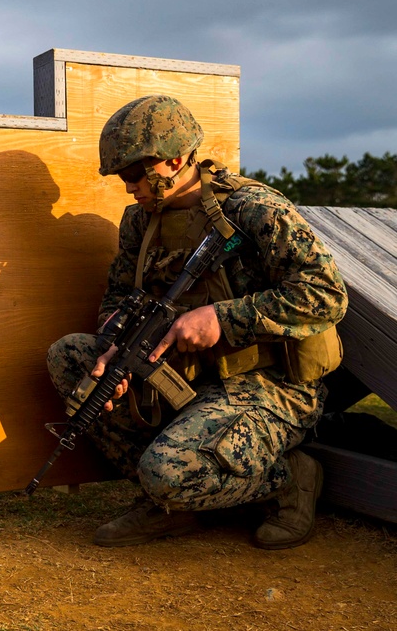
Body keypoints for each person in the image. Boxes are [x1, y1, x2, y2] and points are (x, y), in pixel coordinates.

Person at [47, 94, 348, 550]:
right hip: (183, 377)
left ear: (175, 159)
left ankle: (289, 482)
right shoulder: (139, 222)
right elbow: (117, 297)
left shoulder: (254, 208)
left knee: (167, 472)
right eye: (123, 178)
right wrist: (115, 343)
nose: (130, 188)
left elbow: (325, 294)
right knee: (72, 358)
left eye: (134, 174)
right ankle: (171, 504)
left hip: (267, 383)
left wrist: (222, 319)